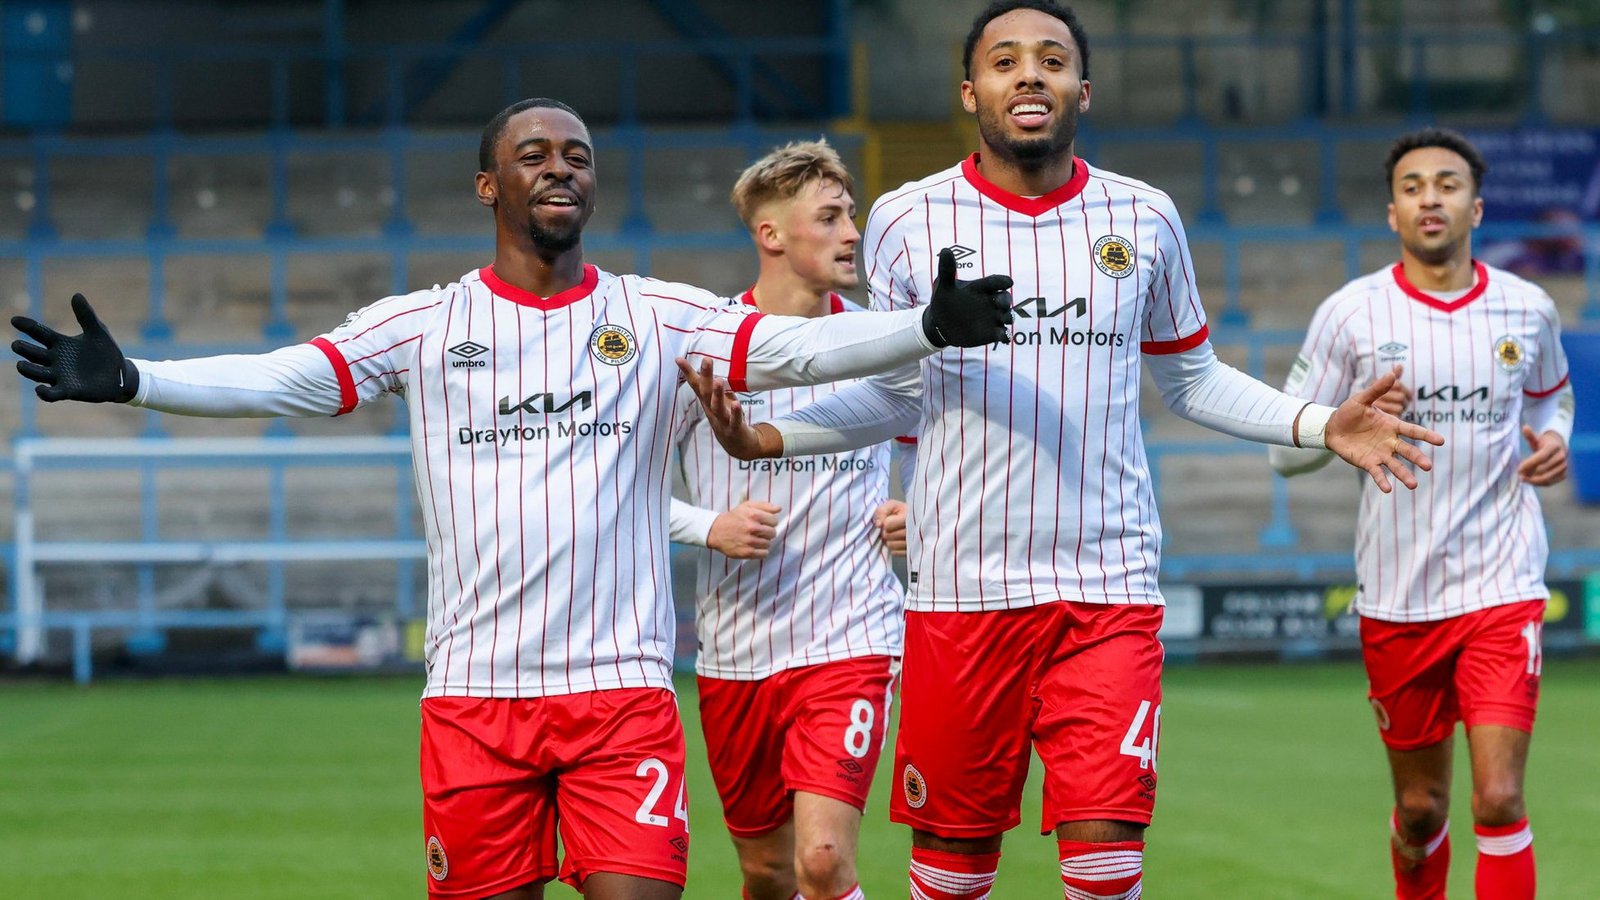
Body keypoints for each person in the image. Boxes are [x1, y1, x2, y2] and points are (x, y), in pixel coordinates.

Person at [10, 98, 1016, 900]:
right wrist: (142, 378)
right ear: (490, 183)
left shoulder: (656, 316)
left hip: (620, 695)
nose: (561, 169)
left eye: (577, 156)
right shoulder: (422, 326)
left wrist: (924, 329)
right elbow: (282, 378)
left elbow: (796, 349)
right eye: (535, 155)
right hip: (474, 701)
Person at [674, 3, 1446, 897]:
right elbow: (890, 397)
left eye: (1052, 60)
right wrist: (767, 436)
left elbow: (1192, 380)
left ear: (1087, 86)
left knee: (1108, 865)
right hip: (961, 593)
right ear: (973, 91)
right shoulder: (906, 221)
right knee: (953, 876)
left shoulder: (1145, 218)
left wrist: (1319, 423)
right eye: (1006, 62)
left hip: (1106, 588)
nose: (1029, 74)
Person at [1270, 127, 1573, 900]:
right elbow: (1285, 453)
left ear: (1477, 206)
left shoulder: (1527, 309)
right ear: (1392, 213)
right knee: (1418, 808)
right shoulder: (1350, 315)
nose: (1430, 197)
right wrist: (1345, 421)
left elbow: (1551, 396)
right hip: (1399, 595)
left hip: (1502, 586)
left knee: (1499, 798)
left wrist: (1555, 441)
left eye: (1446, 183)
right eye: (1412, 187)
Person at [667, 139, 911, 900]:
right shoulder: (698, 351)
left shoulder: (883, 341)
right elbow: (613, 491)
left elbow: (947, 452)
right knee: (767, 874)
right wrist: (707, 526)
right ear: (771, 235)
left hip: (852, 639)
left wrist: (923, 514)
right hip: (735, 654)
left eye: (853, 216)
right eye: (830, 217)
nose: (852, 234)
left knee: (821, 863)